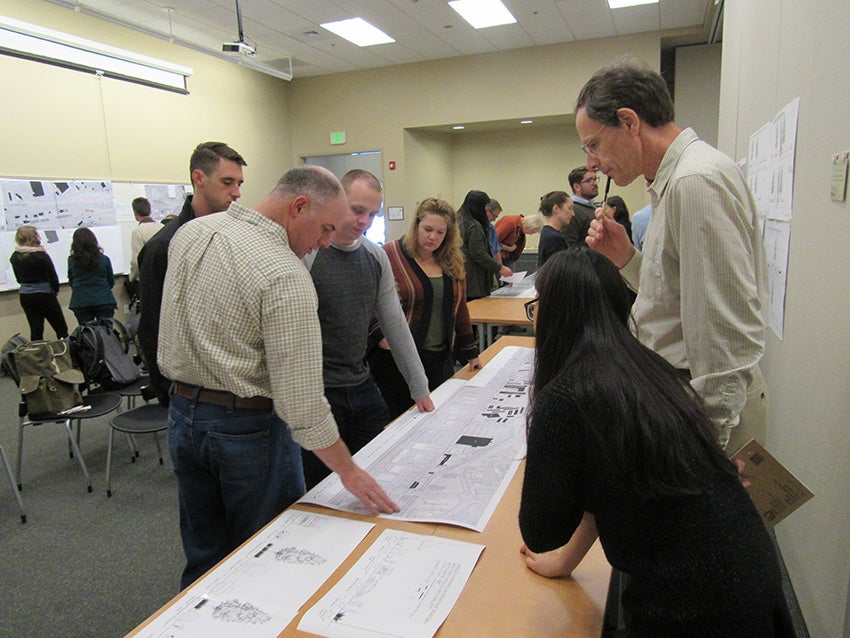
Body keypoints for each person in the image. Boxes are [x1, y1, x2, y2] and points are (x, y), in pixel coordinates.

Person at [518, 249, 788, 636]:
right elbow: (607, 489)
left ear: (556, 313)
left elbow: (541, 532)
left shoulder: (566, 398)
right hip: (751, 578)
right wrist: (565, 562)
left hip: (694, 611)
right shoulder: (645, 366)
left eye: (538, 304)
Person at [159, 166, 399, 590]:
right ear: (298, 206)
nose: (325, 242)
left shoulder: (192, 234)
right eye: (325, 228)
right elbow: (302, 405)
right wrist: (348, 471)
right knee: (265, 560)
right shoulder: (285, 275)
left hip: (181, 417)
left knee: (203, 555)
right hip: (248, 431)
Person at [579, 61, 768, 451]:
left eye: (593, 145)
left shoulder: (694, 182)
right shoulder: (674, 181)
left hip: (708, 419)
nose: (591, 163)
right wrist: (626, 256)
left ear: (629, 121)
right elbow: (674, 298)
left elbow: (726, 341)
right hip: (687, 405)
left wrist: (702, 454)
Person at [302, 169, 435, 489]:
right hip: (318, 392)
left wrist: (420, 387)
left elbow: (396, 326)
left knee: (378, 468)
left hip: (360, 384)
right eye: (357, 209)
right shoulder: (309, 253)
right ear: (337, 201)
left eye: (373, 214)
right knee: (323, 487)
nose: (364, 220)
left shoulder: (375, 256)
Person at [137, 141, 246, 406]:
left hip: (233, 386)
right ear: (199, 178)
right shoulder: (164, 246)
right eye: (228, 182)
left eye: (239, 184)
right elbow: (152, 326)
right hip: (191, 394)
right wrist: (168, 394)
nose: (236, 193)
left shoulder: (235, 235)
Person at [367, 197, 482, 420]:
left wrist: (471, 352)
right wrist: (379, 334)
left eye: (440, 232)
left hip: (440, 358)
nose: (433, 237)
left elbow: (460, 308)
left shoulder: (452, 260)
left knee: (436, 417)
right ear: (416, 225)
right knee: (402, 421)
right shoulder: (390, 255)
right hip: (398, 361)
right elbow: (369, 301)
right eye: (428, 229)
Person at [9, 225, 68, 340]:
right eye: (37, 234)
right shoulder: (41, 255)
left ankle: (37, 355)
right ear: (32, 237)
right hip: (45, 295)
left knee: (36, 330)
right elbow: (53, 277)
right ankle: (66, 354)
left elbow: (18, 279)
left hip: (26, 296)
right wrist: (54, 291)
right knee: (61, 328)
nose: (40, 236)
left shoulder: (15, 256)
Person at [458, 190, 512, 299]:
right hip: (474, 282)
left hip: (460, 278)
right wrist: (500, 268)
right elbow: (478, 253)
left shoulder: (456, 219)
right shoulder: (474, 226)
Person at [67, 227, 116, 324]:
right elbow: (110, 281)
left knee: (87, 333)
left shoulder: (71, 261)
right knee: (106, 332)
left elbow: (71, 281)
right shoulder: (104, 259)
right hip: (103, 298)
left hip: (80, 300)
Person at [560, 166, 599, 247]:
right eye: (589, 180)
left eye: (595, 179)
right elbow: (569, 247)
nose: (595, 183)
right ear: (577, 187)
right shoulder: (572, 211)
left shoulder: (592, 208)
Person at [128, 197, 160, 284]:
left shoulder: (138, 232)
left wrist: (131, 277)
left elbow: (136, 261)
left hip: (148, 279)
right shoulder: (162, 227)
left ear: (135, 212)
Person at [536, 191, 573, 268]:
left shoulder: (547, 233)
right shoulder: (553, 237)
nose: (573, 213)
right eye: (569, 208)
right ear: (556, 209)